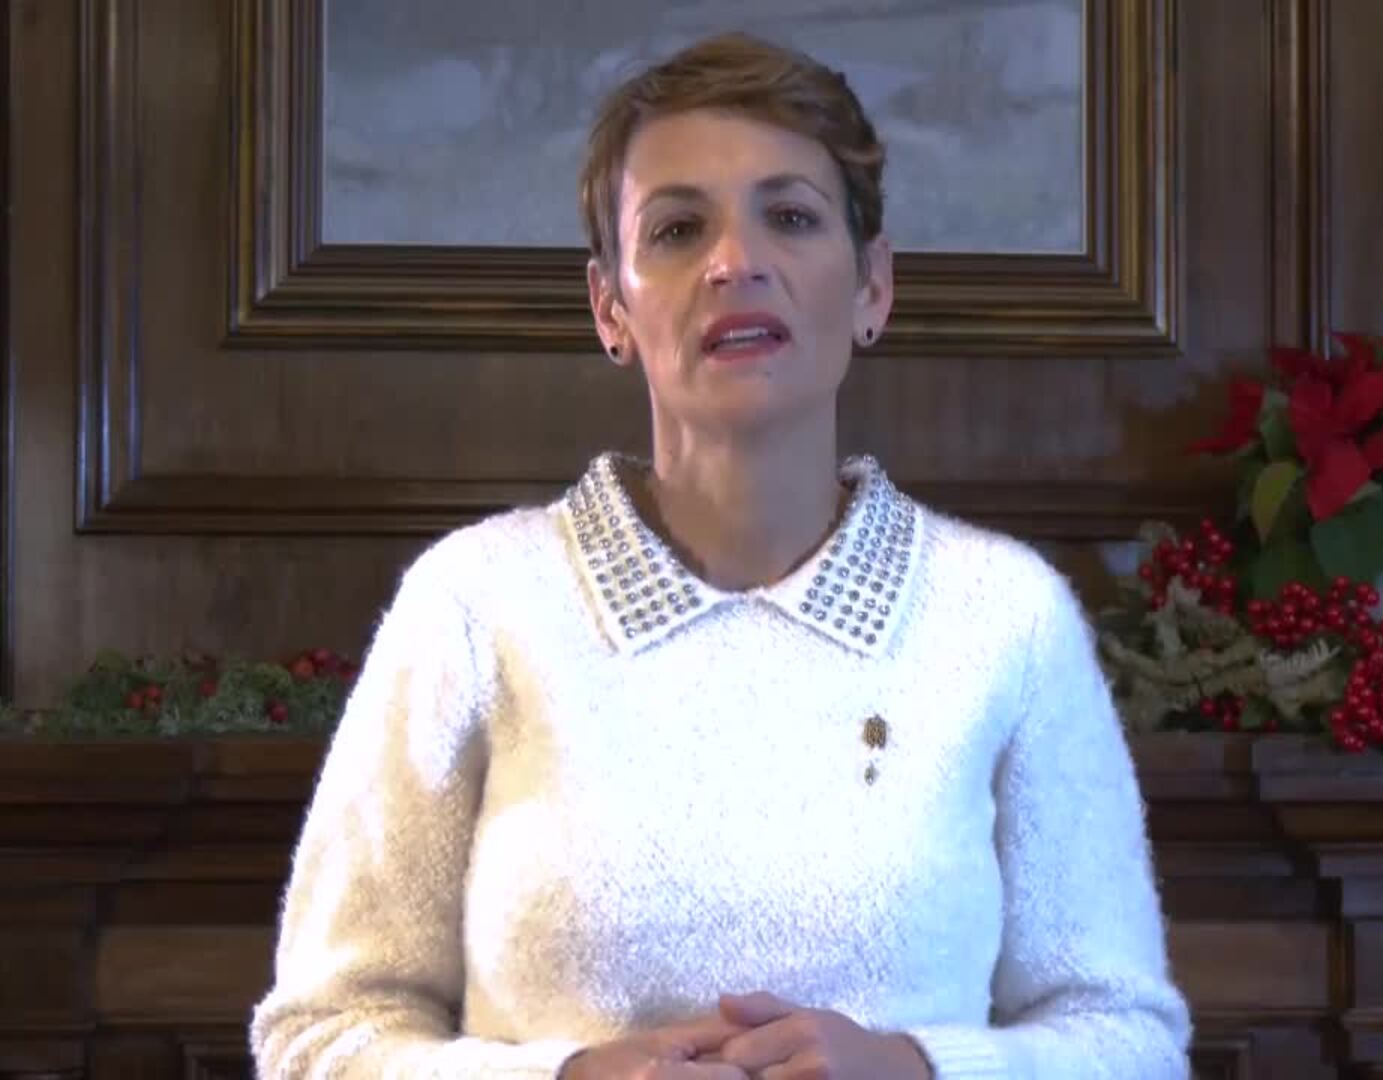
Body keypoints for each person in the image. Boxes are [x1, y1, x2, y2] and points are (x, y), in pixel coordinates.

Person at [250, 31, 1190, 1080]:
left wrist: (915, 1068)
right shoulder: (474, 606)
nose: (735, 262)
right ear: (610, 306)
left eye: (790, 217)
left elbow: (1129, 1041)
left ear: (873, 286)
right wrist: (567, 1078)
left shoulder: (1006, 619)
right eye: (677, 228)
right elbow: (320, 1037)